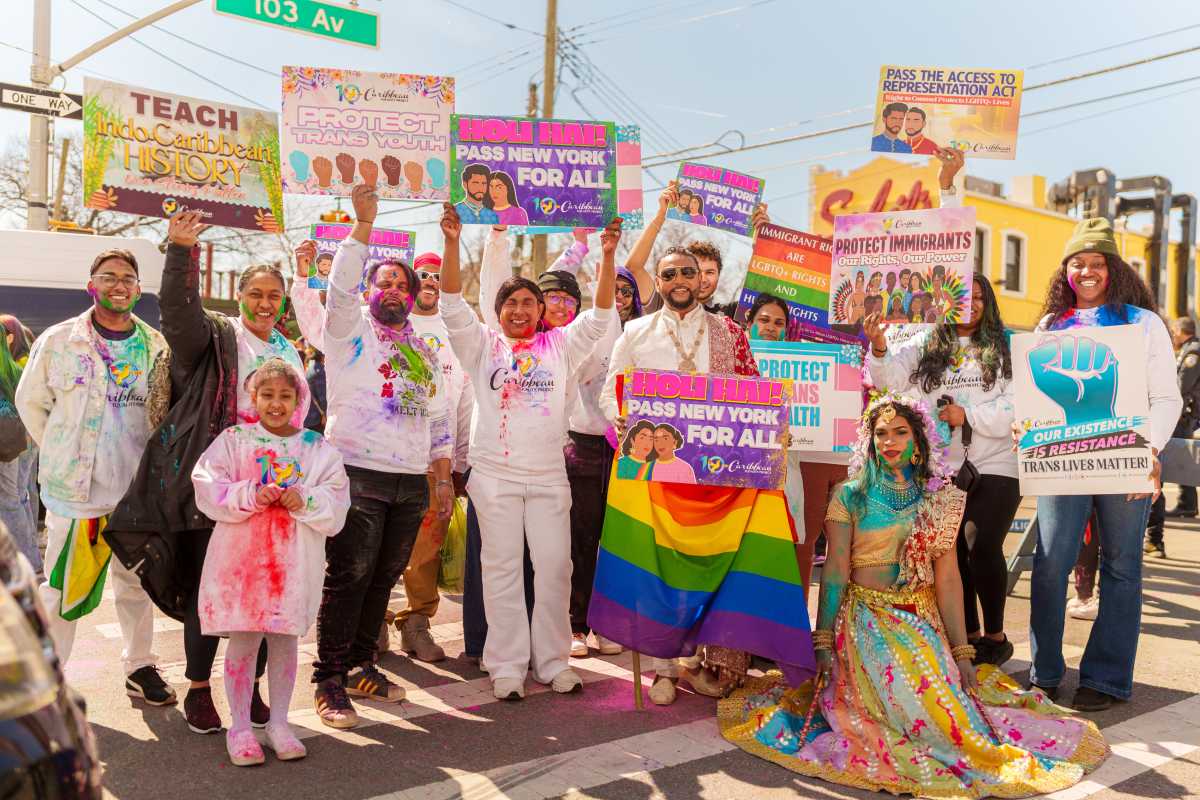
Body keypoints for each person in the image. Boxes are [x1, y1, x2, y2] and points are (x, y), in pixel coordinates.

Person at [720, 393, 1108, 798]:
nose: (889, 441)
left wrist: (961, 653)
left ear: (919, 441)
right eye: (881, 433)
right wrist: (822, 643)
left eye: (900, 432)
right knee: (903, 704)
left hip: (921, 621)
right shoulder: (850, 495)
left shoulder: (938, 499)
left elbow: (949, 582)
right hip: (865, 623)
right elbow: (834, 572)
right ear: (869, 442)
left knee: (949, 715)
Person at [105, 213, 303, 733]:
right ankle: (198, 689)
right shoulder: (216, 338)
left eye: (273, 295)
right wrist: (181, 250)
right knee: (207, 593)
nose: (265, 303)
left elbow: (305, 418)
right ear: (240, 296)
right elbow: (177, 311)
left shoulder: (287, 351)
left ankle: (250, 689)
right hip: (214, 488)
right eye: (256, 293)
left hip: (272, 494)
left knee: (261, 595)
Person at [438, 203, 617, 701]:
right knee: (500, 570)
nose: (519, 311)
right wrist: (453, 242)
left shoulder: (561, 346)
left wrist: (606, 254)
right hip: (494, 476)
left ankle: (553, 661)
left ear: (541, 312)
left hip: (547, 478)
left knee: (556, 566)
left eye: (528, 303)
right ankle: (507, 665)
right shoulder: (482, 347)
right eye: (510, 303)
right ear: (498, 313)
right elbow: (452, 305)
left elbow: (602, 317)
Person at [310, 184, 452, 728]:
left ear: (413, 296)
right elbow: (339, 291)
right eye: (383, 280)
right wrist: (362, 228)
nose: (393, 288)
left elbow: (437, 416)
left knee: (383, 578)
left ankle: (363, 664)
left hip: (408, 480)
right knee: (349, 575)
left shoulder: (422, 348)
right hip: (357, 472)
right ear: (370, 289)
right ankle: (329, 677)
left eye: (402, 283)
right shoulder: (348, 335)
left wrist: (439, 480)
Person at [1026, 216, 1181, 711]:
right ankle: (1044, 671)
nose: (1088, 271)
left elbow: (1166, 398)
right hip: (1061, 462)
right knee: (1050, 563)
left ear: (1113, 269)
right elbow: (1034, 395)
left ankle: (1106, 678)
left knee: (1122, 567)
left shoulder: (1144, 322)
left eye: (1097, 263)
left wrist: (1149, 450)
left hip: (1126, 461)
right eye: (1078, 263)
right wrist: (1023, 424)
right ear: (1066, 271)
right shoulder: (1051, 325)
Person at [600, 246, 761, 704]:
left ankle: (695, 658)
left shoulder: (729, 333)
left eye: (687, 272)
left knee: (704, 563)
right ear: (661, 280)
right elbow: (612, 392)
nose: (680, 281)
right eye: (669, 274)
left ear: (701, 279)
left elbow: (752, 395)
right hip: (656, 471)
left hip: (713, 475)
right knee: (658, 568)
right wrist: (625, 422)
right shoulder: (634, 331)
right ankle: (662, 667)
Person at [15, 247, 174, 705]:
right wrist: (63, 453)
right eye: (108, 277)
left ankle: (139, 667)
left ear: (138, 289)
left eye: (127, 278)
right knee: (65, 587)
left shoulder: (155, 345)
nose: (118, 284)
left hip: (135, 496)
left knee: (137, 583)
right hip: (77, 495)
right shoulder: (61, 340)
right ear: (92, 285)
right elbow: (31, 404)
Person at [191, 359, 349, 766]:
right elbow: (207, 484)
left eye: (284, 395)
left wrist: (306, 499)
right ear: (253, 397)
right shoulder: (235, 440)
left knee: (284, 641)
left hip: (293, 564)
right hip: (242, 564)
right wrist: (248, 494)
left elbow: (336, 499)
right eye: (267, 395)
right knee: (243, 641)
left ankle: (279, 722)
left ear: (299, 399)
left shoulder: (316, 447)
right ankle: (240, 727)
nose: (275, 403)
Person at [865, 273, 1020, 667]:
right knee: (950, 551)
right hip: (944, 464)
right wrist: (880, 346)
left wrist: (968, 414)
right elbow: (890, 381)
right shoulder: (926, 343)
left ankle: (996, 636)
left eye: (981, 297)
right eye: (966, 298)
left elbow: (1018, 402)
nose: (973, 305)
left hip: (997, 459)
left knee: (981, 544)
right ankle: (966, 636)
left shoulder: (1008, 348)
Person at [390, 251, 473, 662]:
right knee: (379, 548)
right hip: (387, 460)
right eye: (423, 274)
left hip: (435, 463)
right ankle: (370, 623)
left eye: (439, 276)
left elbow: (462, 400)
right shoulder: (390, 325)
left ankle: (416, 622)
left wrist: (458, 464)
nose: (431, 282)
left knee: (424, 551)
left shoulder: (457, 330)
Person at [1144, 316, 1200, 557]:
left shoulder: (1192, 352)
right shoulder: (1185, 350)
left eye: (1174, 331)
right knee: (1177, 463)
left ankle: (1185, 508)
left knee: (1176, 464)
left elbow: (1181, 385)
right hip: (1174, 416)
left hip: (1178, 416)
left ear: (1180, 331)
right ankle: (1187, 505)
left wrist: (1165, 407)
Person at [0, 319, 38, 573]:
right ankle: (30, 557)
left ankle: (29, 560)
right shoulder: (15, 368)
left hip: (9, 444)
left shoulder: (12, 367)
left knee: (10, 499)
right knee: (18, 497)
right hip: (17, 442)